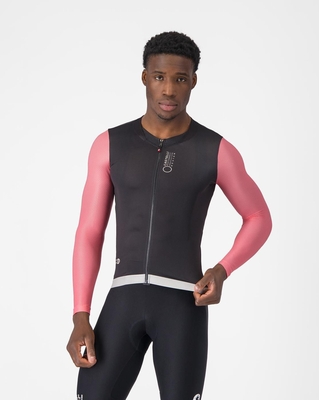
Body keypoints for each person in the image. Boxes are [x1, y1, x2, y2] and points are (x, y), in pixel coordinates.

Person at [66, 31, 272, 400]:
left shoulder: (215, 150)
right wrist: (81, 313)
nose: (169, 90)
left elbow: (258, 217)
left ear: (193, 81)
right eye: (160, 77)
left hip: (182, 306)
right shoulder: (110, 145)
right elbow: (90, 232)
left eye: (180, 79)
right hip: (123, 300)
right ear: (145, 77)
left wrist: (221, 270)